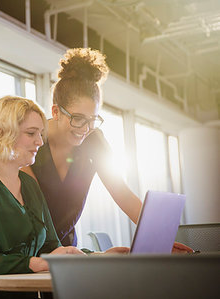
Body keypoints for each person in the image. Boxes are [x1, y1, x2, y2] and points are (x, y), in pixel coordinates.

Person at [22, 48, 192, 253]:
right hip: (28, 248)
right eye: (77, 119)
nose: (85, 129)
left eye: (92, 120)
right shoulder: (33, 142)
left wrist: (161, 238)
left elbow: (122, 192)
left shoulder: (95, 142)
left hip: (67, 250)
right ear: (56, 111)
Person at [0, 96, 96, 299]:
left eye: (40, 134)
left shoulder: (29, 185)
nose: (40, 141)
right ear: (2, 133)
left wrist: (97, 257)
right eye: (31, 133)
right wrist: (33, 263)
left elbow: (51, 248)